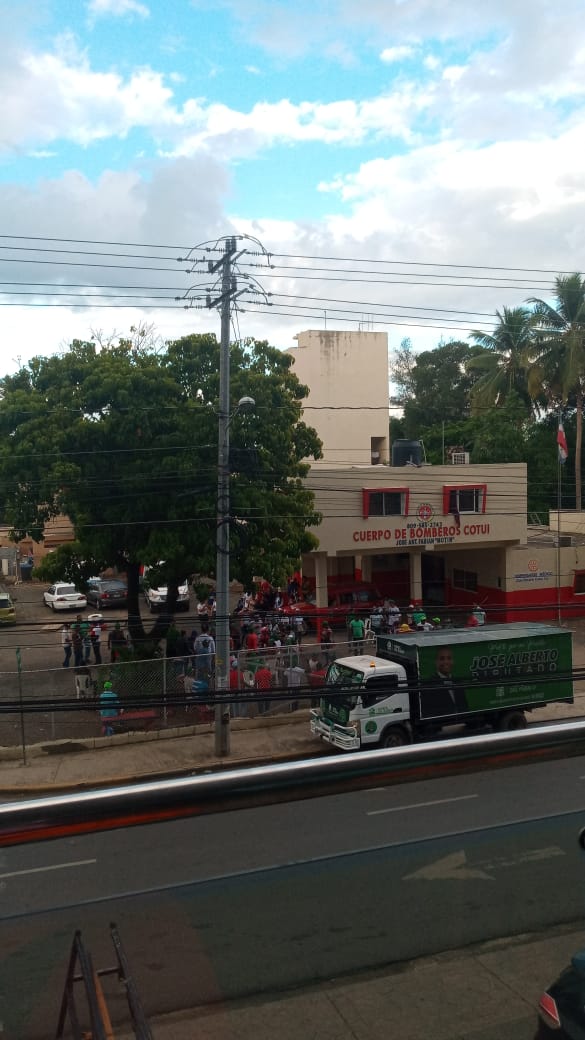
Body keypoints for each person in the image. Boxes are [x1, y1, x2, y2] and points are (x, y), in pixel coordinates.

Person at [420, 646, 468, 719]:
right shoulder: (428, 684)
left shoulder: (458, 681)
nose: (446, 662)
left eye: (449, 658)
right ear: (436, 662)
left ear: (453, 661)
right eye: (442, 658)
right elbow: (427, 711)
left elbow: (464, 706)